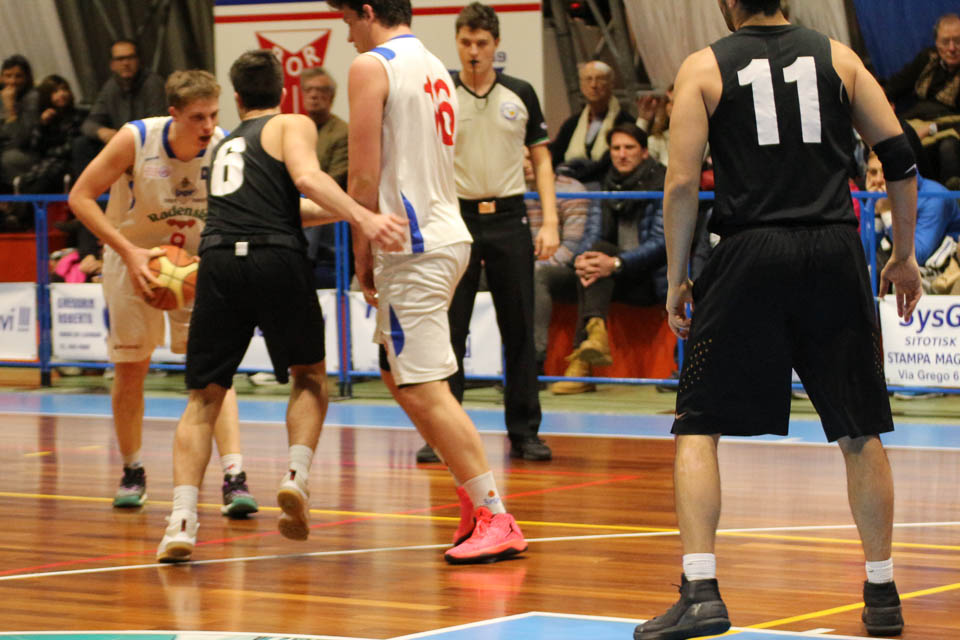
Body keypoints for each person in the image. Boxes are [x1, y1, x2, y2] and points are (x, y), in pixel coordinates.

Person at [635, 1, 923, 639]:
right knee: (859, 428)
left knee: (698, 425)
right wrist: (903, 255)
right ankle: (882, 593)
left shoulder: (704, 67)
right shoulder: (839, 57)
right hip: (833, 248)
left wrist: (678, 276)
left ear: (728, 2)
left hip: (750, 252)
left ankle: (701, 591)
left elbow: (680, 183)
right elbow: (901, 157)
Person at [153, 51, 407, 562]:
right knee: (309, 375)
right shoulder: (293, 123)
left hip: (218, 260)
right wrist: (363, 217)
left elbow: (286, 209)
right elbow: (308, 181)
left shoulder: (224, 144)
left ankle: (180, 521)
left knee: (203, 398)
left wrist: (342, 215)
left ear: (237, 98)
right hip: (275, 258)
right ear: (285, 92)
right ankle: (295, 475)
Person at [327, 0, 530, 564]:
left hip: (411, 243)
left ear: (368, 11)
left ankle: (494, 514)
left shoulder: (372, 66)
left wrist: (362, 245)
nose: (347, 35)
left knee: (423, 386)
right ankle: (472, 499)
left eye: (347, 21)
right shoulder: (436, 64)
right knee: (395, 371)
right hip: (445, 232)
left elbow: (363, 174)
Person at [68, 70, 260, 518]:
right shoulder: (136, 139)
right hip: (131, 258)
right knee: (131, 368)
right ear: (173, 113)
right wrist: (128, 252)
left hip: (196, 266)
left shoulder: (226, 147)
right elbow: (80, 197)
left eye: (213, 114)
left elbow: (241, 215)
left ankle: (235, 476)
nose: (208, 125)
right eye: (197, 117)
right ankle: (132, 470)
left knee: (215, 372)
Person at [428, 1, 559, 464]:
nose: (473, 51)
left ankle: (524, 432)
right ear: (456, 41)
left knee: (518, 326)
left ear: (496, 44)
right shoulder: (441, 91)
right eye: (466, 42)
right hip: (455, 218)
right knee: (450, 327)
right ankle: (443, 433)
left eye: (482, 42)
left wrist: (550, 221)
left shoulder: (520, 92)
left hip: (509, 216)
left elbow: (541, 158)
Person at [550, 123, 667, 395]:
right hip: (610, 275)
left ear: (645, 152)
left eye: (629, 148)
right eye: (616, 148)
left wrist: (615, 263)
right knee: (593, 258)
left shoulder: (663, 183)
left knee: (601, 259)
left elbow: (660, 244)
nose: (621, 154)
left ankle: (581, 367)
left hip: (649, 277)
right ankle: (595, 334)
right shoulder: (605, 184)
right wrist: (582, 259)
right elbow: (591, 234)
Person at [527, 150, 592, 371]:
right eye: (520, 157)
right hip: (523, 265)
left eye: (530, 157)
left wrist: (527, 267)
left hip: (565, 270)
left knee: (536, 275)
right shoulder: (512, 189)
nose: (524, 164)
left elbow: (572, 247)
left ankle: (534, 362)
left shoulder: (571, 190)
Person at [884, 13, 960, 188]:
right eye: (945, 42)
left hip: (950, 129)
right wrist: (882, 98)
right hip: (917, 122)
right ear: (937, 43)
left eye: (957, 41)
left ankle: (952, 200)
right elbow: (895, 86)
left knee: (948, 148)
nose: (951, 48)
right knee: (898, 142)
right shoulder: (927, 59)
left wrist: (932, 129)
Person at [73, 39, 166, 181]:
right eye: (120, 59)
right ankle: (89, 192)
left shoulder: (153, 83)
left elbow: (157, 125)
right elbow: (89, 123)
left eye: (130, 57)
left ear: (138, 61)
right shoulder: (111, 86)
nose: (125, 63)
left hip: (146, 144)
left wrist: (124, 138)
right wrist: (103, 132)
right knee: (82, 144)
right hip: (120, 144)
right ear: (112, 64)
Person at [865, 149, 960, 268]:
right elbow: (865, 257)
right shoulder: (878, 198)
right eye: (873, 172)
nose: (878, 180)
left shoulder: (934, 197)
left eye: (886, 171)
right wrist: (876, 213)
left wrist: (887, 213)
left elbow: (916, 257)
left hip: (942, 270)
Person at [302, 66, 349, 289]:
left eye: (320, 90)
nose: (314, 95)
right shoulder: (297, 128)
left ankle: (303, 258)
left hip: (329, 208)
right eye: (308, 90)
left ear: (331, 96)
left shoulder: (342, 131)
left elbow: (335, 178)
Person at [549, 60, 634, 182]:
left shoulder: (625, 122)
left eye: (600, 79)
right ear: (581, 86)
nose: (593, 85)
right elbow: (555, 157)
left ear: (611, 84)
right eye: (588, 79)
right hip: (569, 184)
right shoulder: (571, 124)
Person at [16, 75, 87, 195]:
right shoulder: (45, 117)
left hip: (68, 163)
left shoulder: (78, 115)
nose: (62, 94)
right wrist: (42, 125)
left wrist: (49, 152)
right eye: (55, 91)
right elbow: (34, 146)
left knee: (42, 183)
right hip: (46, 163)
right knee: (27, 182)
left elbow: (71, 146)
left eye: (64, 89)